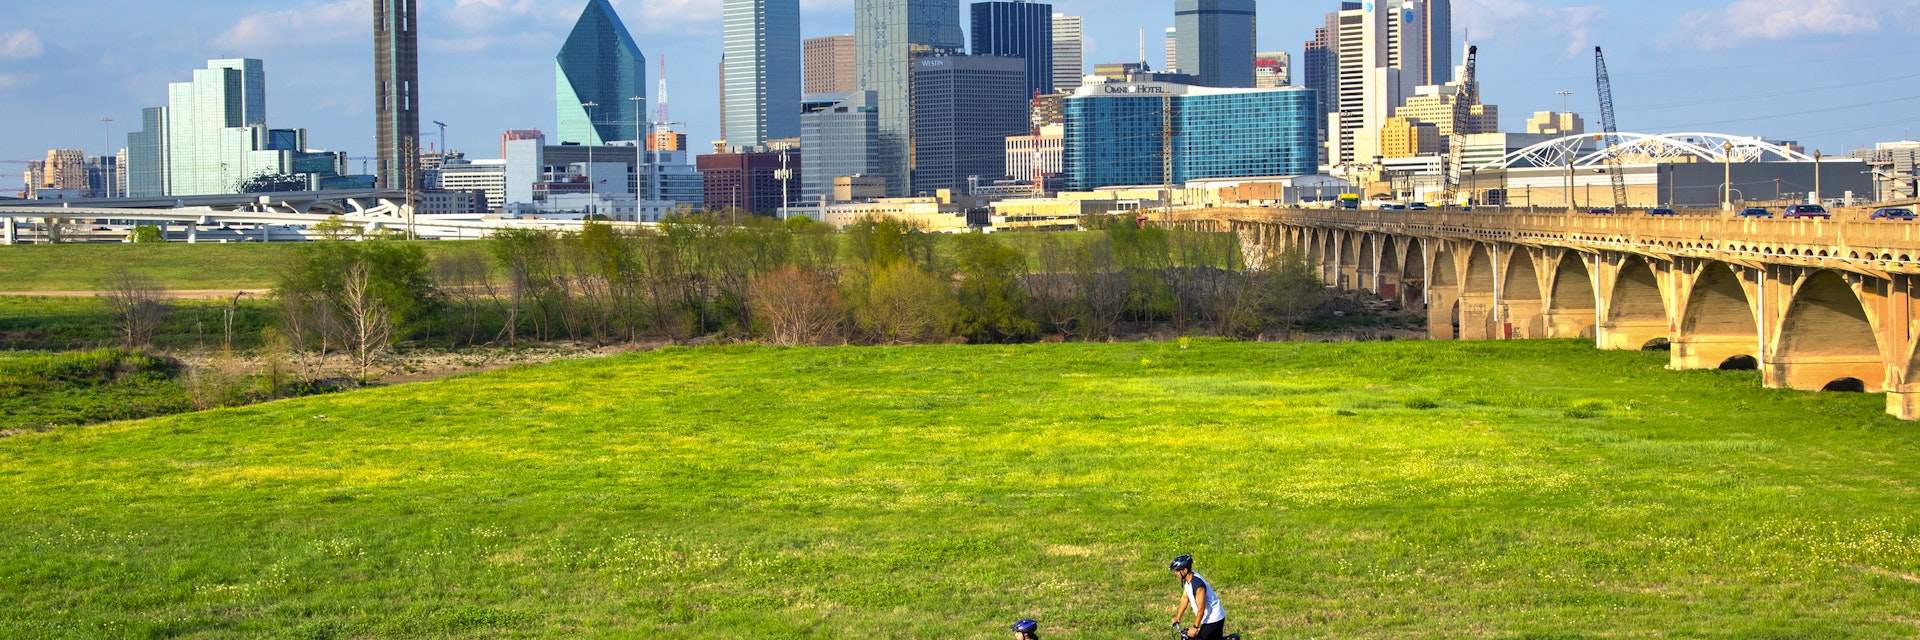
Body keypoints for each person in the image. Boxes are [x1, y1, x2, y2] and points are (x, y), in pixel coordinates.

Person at [1168, 554, 1227, 640]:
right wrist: (1178, 617)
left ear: (1185, 570)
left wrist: (1195, 627)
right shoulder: (1187, 580)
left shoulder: (1198, 585)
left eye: (1177, 571)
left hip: (1214, 617)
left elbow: (1201, 608)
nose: (1175, 573)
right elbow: (1185, 598)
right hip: (1208, 617)